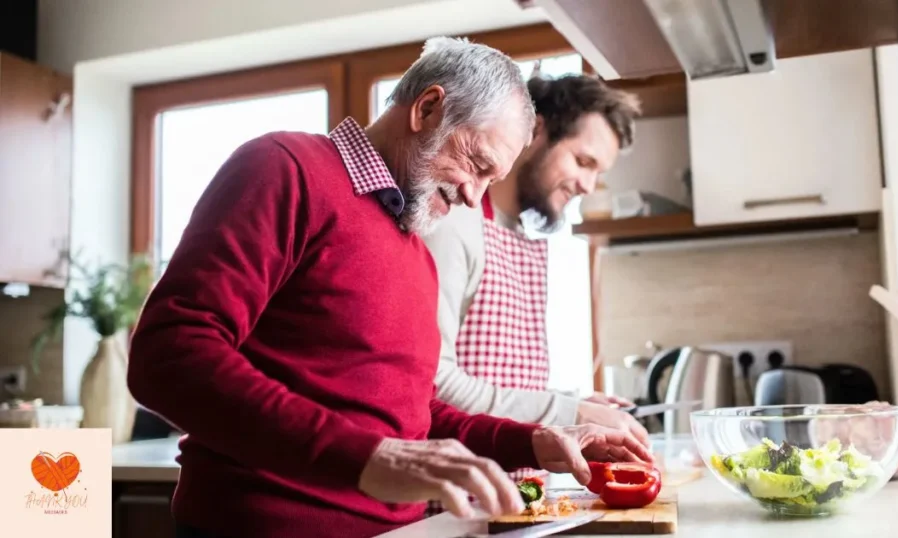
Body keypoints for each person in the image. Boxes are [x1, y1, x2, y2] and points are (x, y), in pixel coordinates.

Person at [127, 37, 651, 538]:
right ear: (426, 109)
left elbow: (416, 417)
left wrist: (534, 442)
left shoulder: (417, 250)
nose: (474, 195)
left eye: (492, 179)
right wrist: (367, 458)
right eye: (476, 164)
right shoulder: (285, 168)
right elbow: (168, 356)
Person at [423, 74, 647, 453]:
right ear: (536, 131)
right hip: (457, 493)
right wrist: (567, 412)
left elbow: (501, 382)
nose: (588, 186)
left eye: (598, 172)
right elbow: (435, 382)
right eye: (582, 161)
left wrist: (576, 403)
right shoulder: (454, 223)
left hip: (512, 490)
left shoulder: (519, 236)